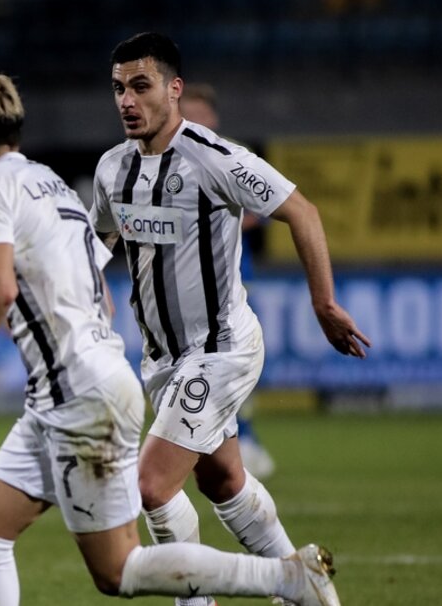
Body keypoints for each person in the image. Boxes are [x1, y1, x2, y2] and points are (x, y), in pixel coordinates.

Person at [0, 68, 342, 606]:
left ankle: (286, 579)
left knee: (118, 569)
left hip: (79, 394)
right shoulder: (48, 183)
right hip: (73, 388)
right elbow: (99, 287)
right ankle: (270, 580)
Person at [91, 33, 370, 606]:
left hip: (220, 350)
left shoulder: (214, 157)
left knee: (151, 485)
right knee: (222, 481)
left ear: (174, 89)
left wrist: (323, 303)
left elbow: (302, 212)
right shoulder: (112, 169)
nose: (127, 100)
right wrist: (87, 297)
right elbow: (96, 245)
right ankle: (306, 589)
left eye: (141, 86)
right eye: (119, 88)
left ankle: (198, 601)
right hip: (162, 361)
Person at [179, 82, 276, 481]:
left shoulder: (233, 154)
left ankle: (244, 439)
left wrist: (220, 218)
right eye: (190, 114)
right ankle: (206, 441)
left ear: (213, 117)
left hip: (234, 279)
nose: (197, 121)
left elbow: (266, 208)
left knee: (234, 361)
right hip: (185, 284)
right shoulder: (168, 157)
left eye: (202, 114)